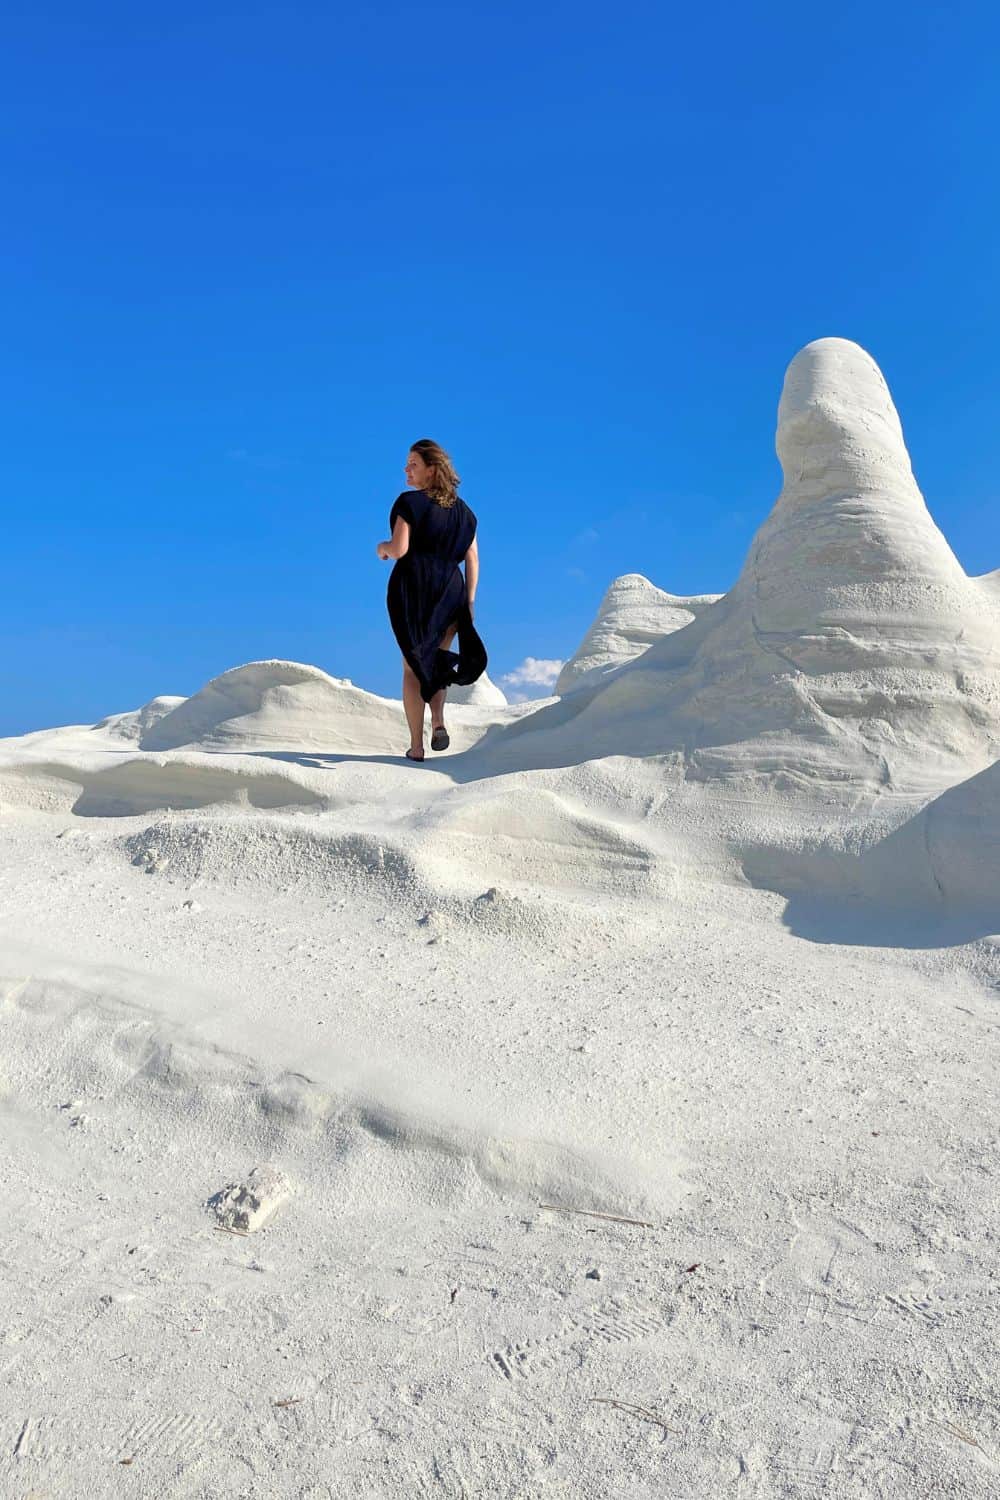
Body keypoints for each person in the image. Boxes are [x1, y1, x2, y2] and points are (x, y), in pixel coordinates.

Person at [376, 439, 487, 761]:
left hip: (415, 587)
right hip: (452, 588)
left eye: (413, 464)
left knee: (412, 665)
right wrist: (468, 603)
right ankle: (437, 721)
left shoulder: (409, 502)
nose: (406, 469)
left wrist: (381, 548)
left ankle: (416, 746)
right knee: (436, 659)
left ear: (431, 469)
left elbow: (399, 550)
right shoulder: (466, 515)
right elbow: (473, 559)